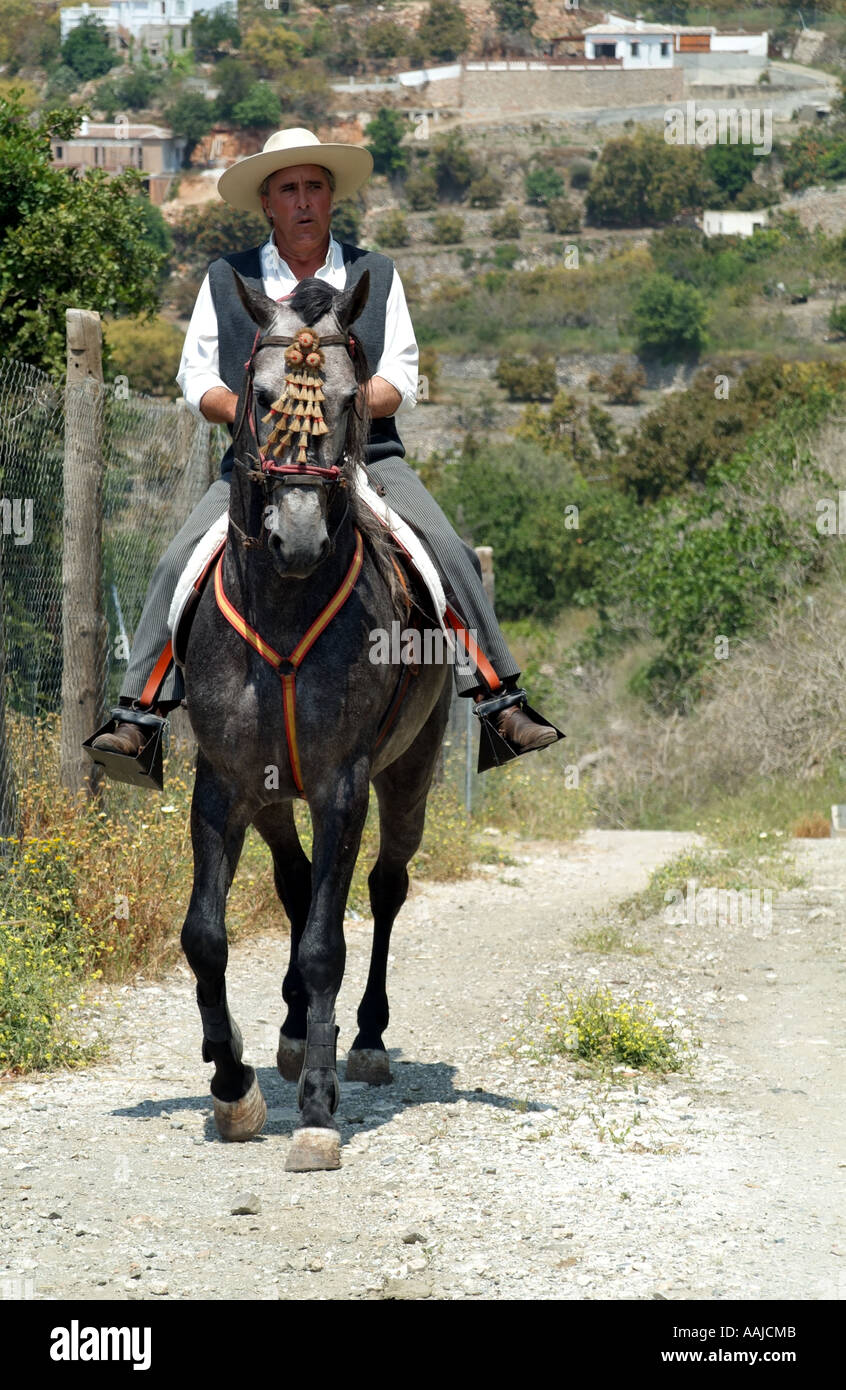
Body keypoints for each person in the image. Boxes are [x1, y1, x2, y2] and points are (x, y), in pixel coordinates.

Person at [92, 128, 557, 763]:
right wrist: (252, 414)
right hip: (257, 469)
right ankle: (139, 716)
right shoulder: (228, 277)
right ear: (267, 202)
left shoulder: (375, 273)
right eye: (288, 189)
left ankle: (500, 702)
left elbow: (402, 377)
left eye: (315, 186)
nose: (303, 200)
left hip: (366, 460)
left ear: (331, 197)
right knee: (178, 561)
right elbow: (195, 378)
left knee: (449, 552)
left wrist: (339, 408)